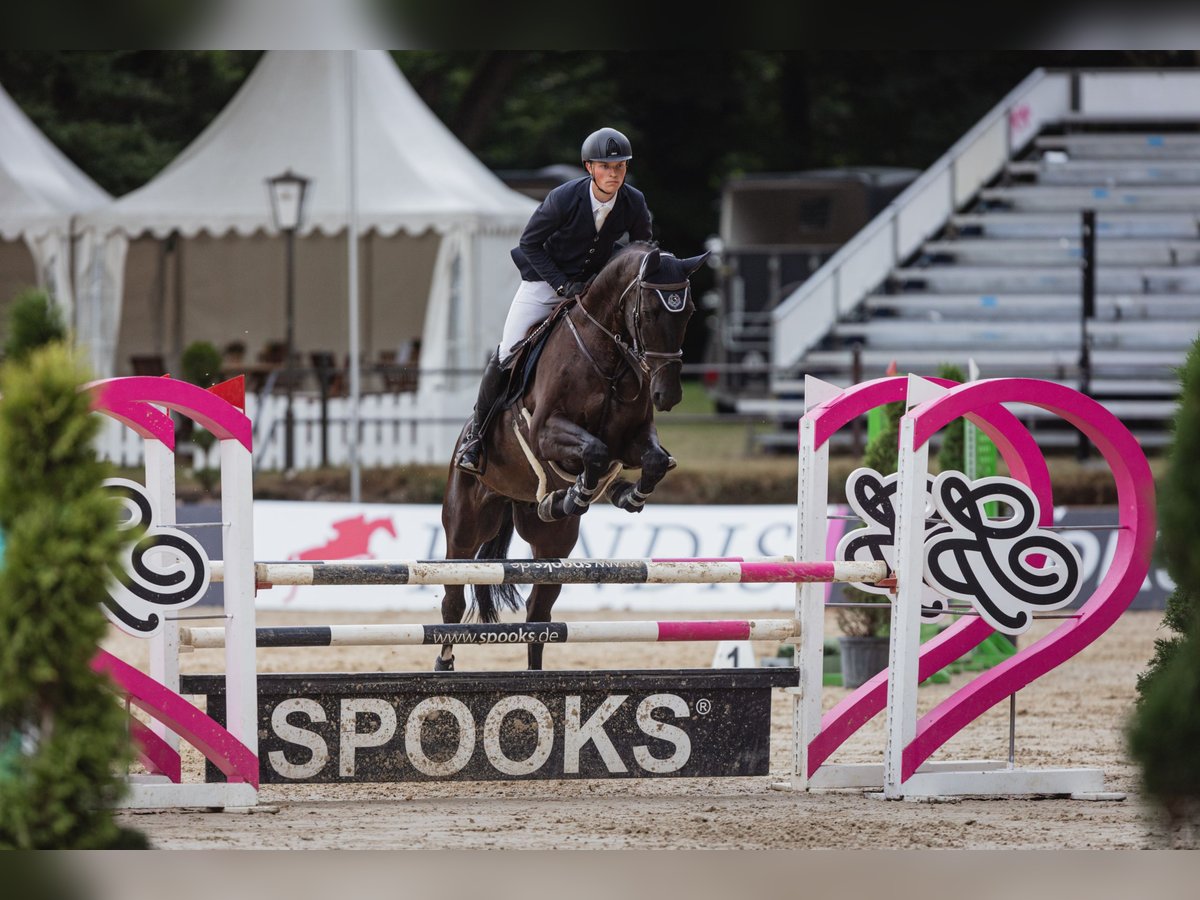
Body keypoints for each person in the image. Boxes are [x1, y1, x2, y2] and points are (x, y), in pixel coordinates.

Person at [455, 126, 654, 474]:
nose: (614, 173)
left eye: (620, 166)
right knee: (507, 351)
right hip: (544, 283)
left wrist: (611, 279)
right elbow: (530, 244)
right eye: (606, 167)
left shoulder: (633, 202)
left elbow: (641, 249)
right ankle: (476, 436)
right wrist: (562, 286)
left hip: (593, 287)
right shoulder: (564, 198)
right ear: (589, 167)